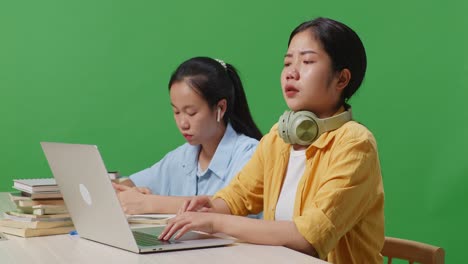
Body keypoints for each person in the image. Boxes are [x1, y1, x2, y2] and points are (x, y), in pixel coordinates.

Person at [159, 17, 384, 263]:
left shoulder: (355, 144)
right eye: (288, 62)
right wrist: (210, 207)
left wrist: (215, 222)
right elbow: (240, 195)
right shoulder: (279, 137)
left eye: (307, 61)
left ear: (341, 79)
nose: (291, 72)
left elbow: (308, 238)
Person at [113, 56, 262, 215]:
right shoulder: (182, 157)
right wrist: (123, 191)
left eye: (191, 113)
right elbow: (132, 182)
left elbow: (228, 204)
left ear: (220, 108)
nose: (182, 123)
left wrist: (150, 203)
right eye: (176, 112)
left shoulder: (251, 154)